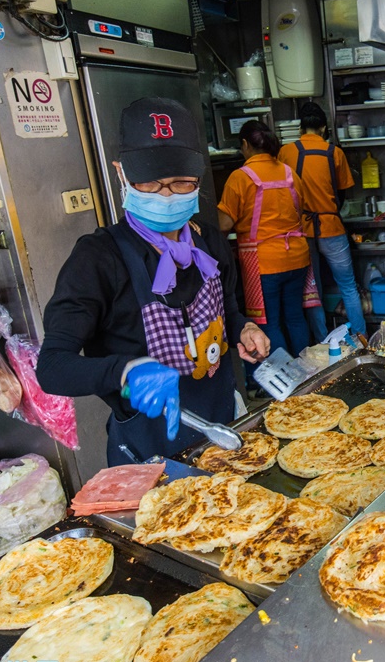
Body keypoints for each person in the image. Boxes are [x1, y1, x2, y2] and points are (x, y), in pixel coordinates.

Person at [37, 98, 269, 466]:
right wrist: (125, 370)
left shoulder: (208, 241)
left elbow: (227, 310)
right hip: (149, 448)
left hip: (223, 424)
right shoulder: (98, 258)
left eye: (181, 184)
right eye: (151, 184)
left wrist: (243, 329)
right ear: (121, 174)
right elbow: (52, 367)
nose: (167, 196)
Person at [218, 120, 313, 360]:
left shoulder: (240, 177)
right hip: (297, 256)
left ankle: (284, 381)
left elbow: (224, 224)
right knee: (294, 316)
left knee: (268, 323)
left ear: (245, 144)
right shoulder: (289, 172)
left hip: (263, 262)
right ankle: (308, 374)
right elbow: (301, 209)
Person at [277, 102, 366, 342]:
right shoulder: (334, 152)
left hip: (300, 232)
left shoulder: (286, 152)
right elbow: (343, 192)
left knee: (311, 291)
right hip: (331, 228)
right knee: (348, 286)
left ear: (300, 128)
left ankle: (323, 342)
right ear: (324, 128)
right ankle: (360, 340)